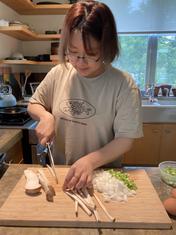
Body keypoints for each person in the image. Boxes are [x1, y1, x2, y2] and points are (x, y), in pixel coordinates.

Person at [28, 0, 143, 191]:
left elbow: (125, 140)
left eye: (91, 54)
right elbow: (34, 104)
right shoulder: (59, 73)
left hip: (103, 177)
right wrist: (45, 116)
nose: (80, 62)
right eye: (73, 53)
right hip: (62, 173)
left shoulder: (123, 84)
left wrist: (90, 161)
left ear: (107, 47)